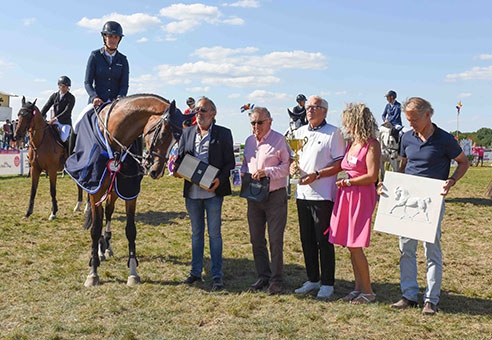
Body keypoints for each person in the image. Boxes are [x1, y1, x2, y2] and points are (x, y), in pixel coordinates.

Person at [388, 97, 469, 315]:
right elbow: (404, 165)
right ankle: (409, 294)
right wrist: (393, 187)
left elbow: (464, 162)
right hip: (409, 200)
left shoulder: (445, 139)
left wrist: (451, 181)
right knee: (406, 249)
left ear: (427, 115)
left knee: (431, 249)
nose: (410, 123)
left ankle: (431, 299)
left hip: (432, 201)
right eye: (408, 119)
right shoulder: (406, 138)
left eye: (414, 119)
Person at [174, 96, 235, 291]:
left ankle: (217, 275)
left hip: (213, 193)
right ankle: (195, 272)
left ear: (213, 113)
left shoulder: (224, 134)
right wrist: (176, 169)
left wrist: (219, 180)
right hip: (192, 193)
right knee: (196, 234)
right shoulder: (188, 133)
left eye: (202, 110)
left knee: (214, 235)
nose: (198, 114)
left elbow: (230, 163)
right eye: (196, 110)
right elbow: (181, 158)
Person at [292, 95, 346, 299]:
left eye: (315, 107)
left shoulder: (334, 133)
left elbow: (339, 164)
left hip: (323, 194)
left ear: (324, 110)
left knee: (323, 240)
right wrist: (292, 166)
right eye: (308, 107)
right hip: (302, 193)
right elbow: (294, 157)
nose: (310, 110)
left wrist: (317, 175)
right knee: (306, 238)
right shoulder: (299, 132)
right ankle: (312, 279)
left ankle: (327, 282)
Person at [328, 103, 381, 304]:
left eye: (347, 122)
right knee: (350, 245)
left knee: (355, 244)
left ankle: (368, 291)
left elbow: (372, 175)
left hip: (361, 196)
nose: (344, 125)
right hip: (347, 195)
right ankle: (358, 288)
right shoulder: (351, 144)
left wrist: (348, 181)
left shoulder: (372, 144)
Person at [241, 106, 290, 295]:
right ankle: (262, 275)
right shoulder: (248, 141)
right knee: (256, 238)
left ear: (269, 121)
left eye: (259, 122)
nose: (256, 126)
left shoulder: (279, 140)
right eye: (253, 123)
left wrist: (266, 172)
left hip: (275, 195)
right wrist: (244, 174)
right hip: (254, 196)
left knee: (275, 239)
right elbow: (246, 163)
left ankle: (276, 279)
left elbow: (286, 167)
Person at [84, 21, 129, 108]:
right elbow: (87, 82)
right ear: (105, 37)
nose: (113, 40)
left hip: (115, 104)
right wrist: (94, 97)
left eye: (116, 37)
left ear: (119, 39)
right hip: (97, 102)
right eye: (110, 36)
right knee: (81, 119)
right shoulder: (95, 56)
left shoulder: (123, 60)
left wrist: (120, 97)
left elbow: (124, 85)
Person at [40, 76, 76, 151]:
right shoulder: (54, 96)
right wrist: (40, 116)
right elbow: (46, 106)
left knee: (63, 138)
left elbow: (67, 111)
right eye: (63, 86)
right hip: (55, 122)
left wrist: (55, 119)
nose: (65, 88)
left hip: (65, 123)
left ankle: (67, 153)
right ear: (59, 85)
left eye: (67, 87)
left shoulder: (71, 97)